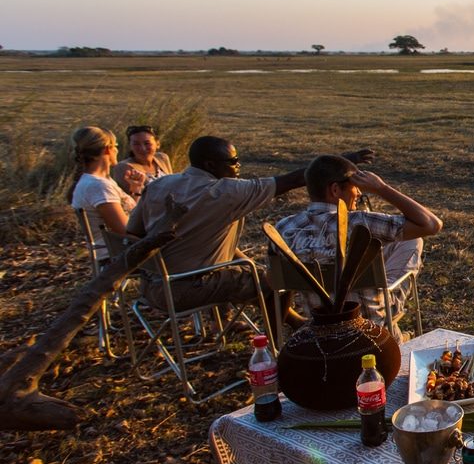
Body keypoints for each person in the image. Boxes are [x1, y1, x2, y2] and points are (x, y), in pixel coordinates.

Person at [126, 135, 374, 319]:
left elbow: (133, 232)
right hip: (184, 288)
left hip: (150, 284)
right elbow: (295, 179)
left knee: (240, 264)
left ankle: (225, 321)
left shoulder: (160, 184)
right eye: (233, 161)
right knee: (275, 279)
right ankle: (292, 330)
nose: (238, 166)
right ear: (211, 165)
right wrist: (342, 164)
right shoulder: (225, 192)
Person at [275, 154, 443, 341]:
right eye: (356, 187)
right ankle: (395, 338)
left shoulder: (283, 228)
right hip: (372, 323)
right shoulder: (361, 222)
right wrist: (381, 188)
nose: (359, 193)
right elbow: (430, 224)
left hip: (318, 324)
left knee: (388, 248)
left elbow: (276, 283)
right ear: (336, 189)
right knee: (414, 240)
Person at [68, 126, 144, 259]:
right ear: (108, 149)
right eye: (116, 145)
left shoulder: (100, 182)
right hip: (119, 255)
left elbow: (130, 218)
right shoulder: (98, 186)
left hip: (122, 250)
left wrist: (136, 190)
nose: (117, 150)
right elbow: (126, 231)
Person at [111, 124, 172, 197]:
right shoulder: (124, 167)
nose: (142, 148)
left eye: (147, 143)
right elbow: (129, 200)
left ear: (157, 144)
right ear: (130, 146)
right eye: (136, 144)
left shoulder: (162, 158)